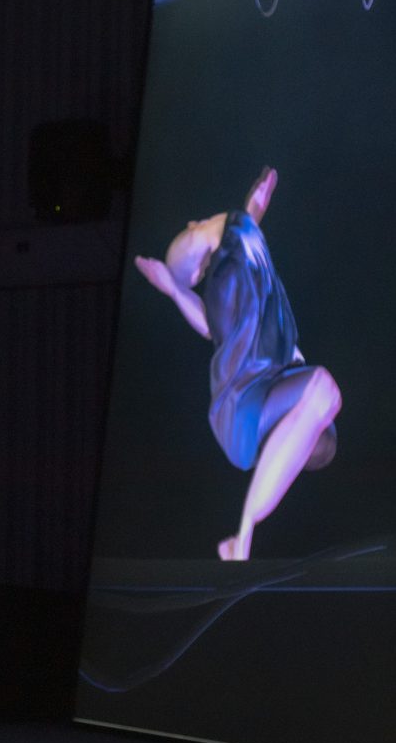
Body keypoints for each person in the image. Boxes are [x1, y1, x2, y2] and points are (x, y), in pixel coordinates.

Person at [133, 166, 341, 561]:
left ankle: (243, 535)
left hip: (242, 413)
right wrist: (173, 288)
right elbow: (217, 324)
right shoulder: (278, 349)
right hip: (245, 408)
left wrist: (173, 287)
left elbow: (241, 234)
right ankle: (242, 535)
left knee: (324, 396)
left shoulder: (242, 299)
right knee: (321, 393)